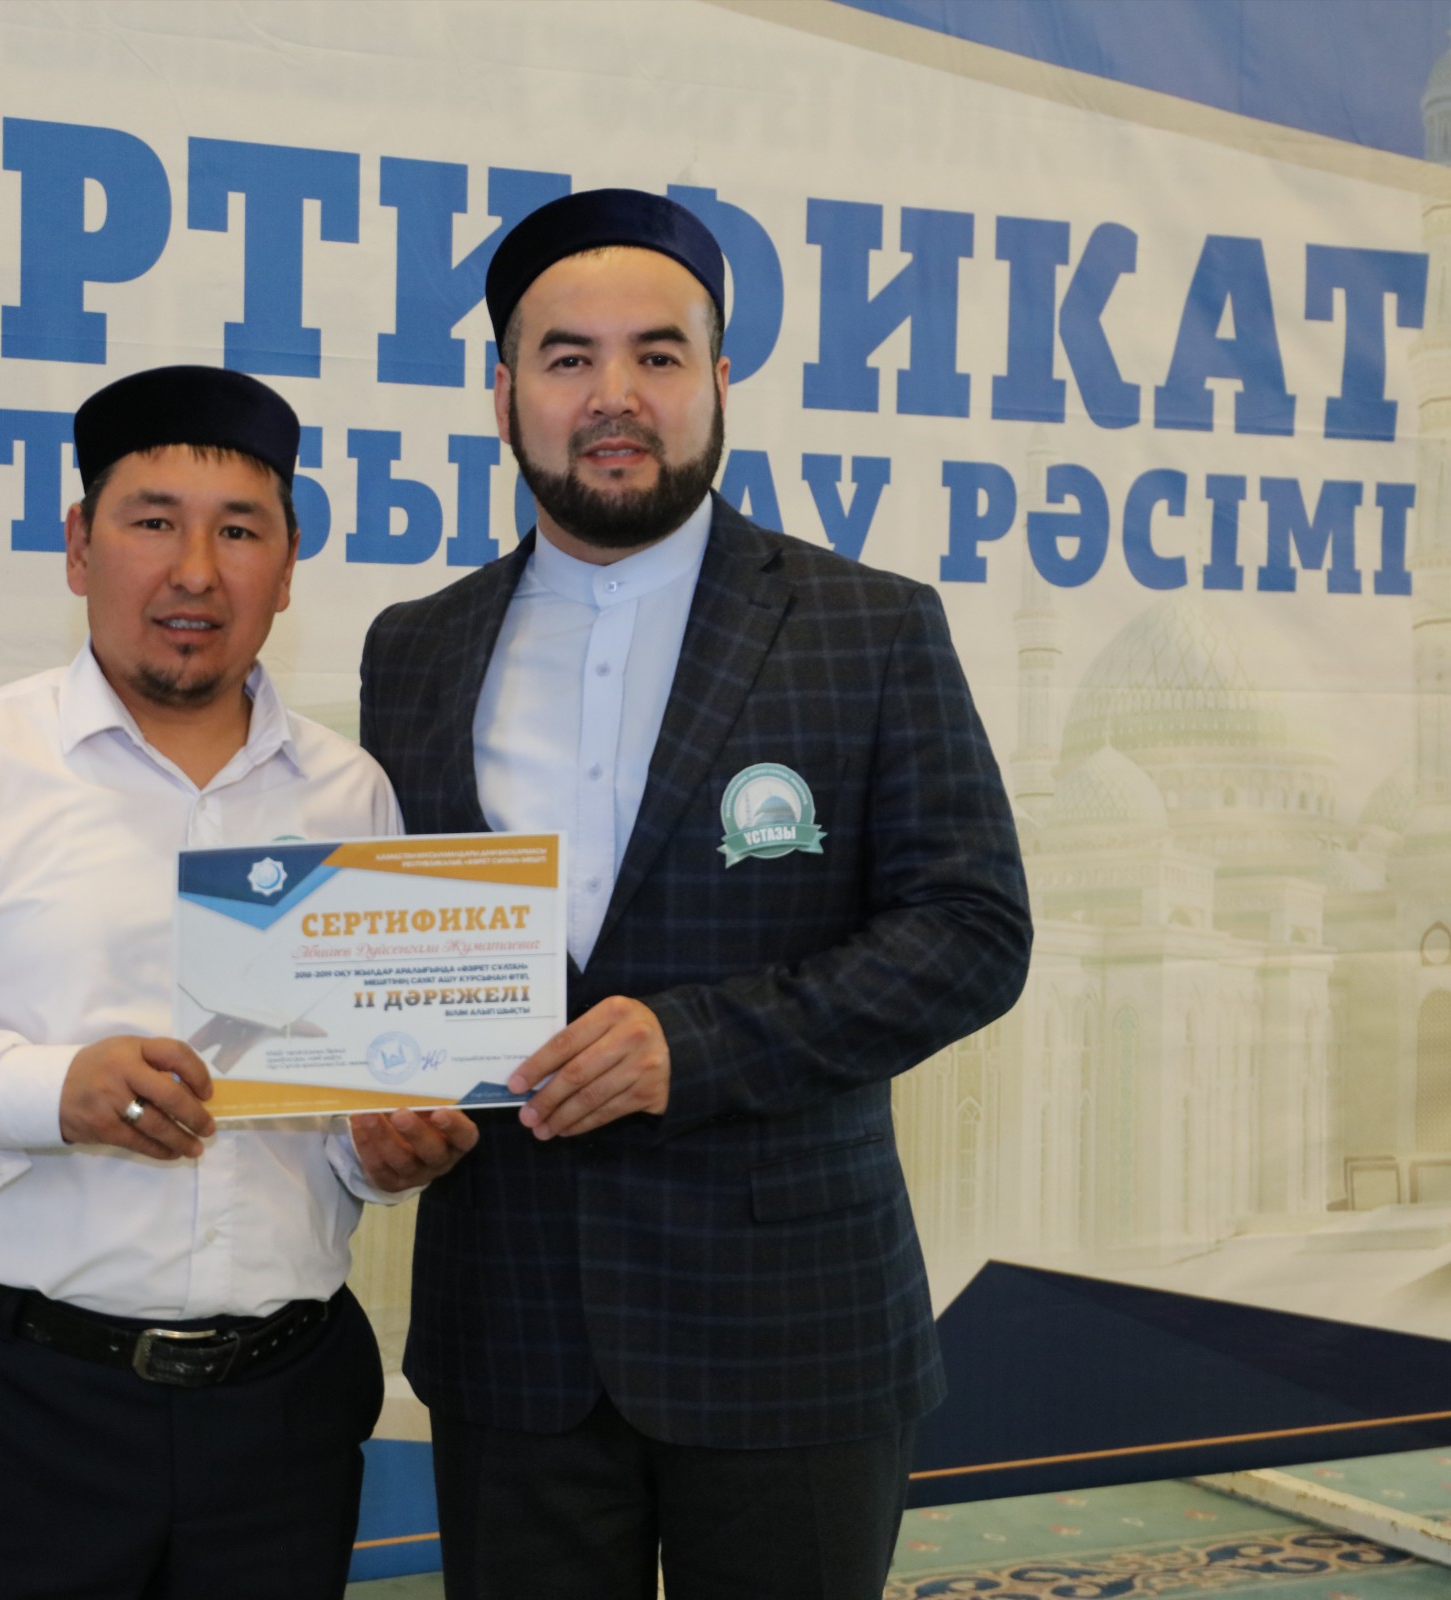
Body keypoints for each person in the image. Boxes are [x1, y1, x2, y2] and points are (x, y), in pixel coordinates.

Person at [358, 190, 1033, 1599]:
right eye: (568, 357)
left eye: (657, 355)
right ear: (503, 395)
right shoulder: (413, 648)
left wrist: (697, 1044)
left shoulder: (868, 625)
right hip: (513, 1338)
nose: (615, 394)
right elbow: (405, 953)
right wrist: (387, 1103)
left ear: (719, 382)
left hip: (791, 1334)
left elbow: (972, 932)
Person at [0, 365, 477, 1600]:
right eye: (153, 521)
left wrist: (386, 1150)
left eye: (238, 530)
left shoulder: (350, 793)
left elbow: (342, 1114)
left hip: (284, 1420)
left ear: (287, 567)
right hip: (15, 1409)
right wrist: (49, 1091)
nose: (195, 570)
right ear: (81, 546)